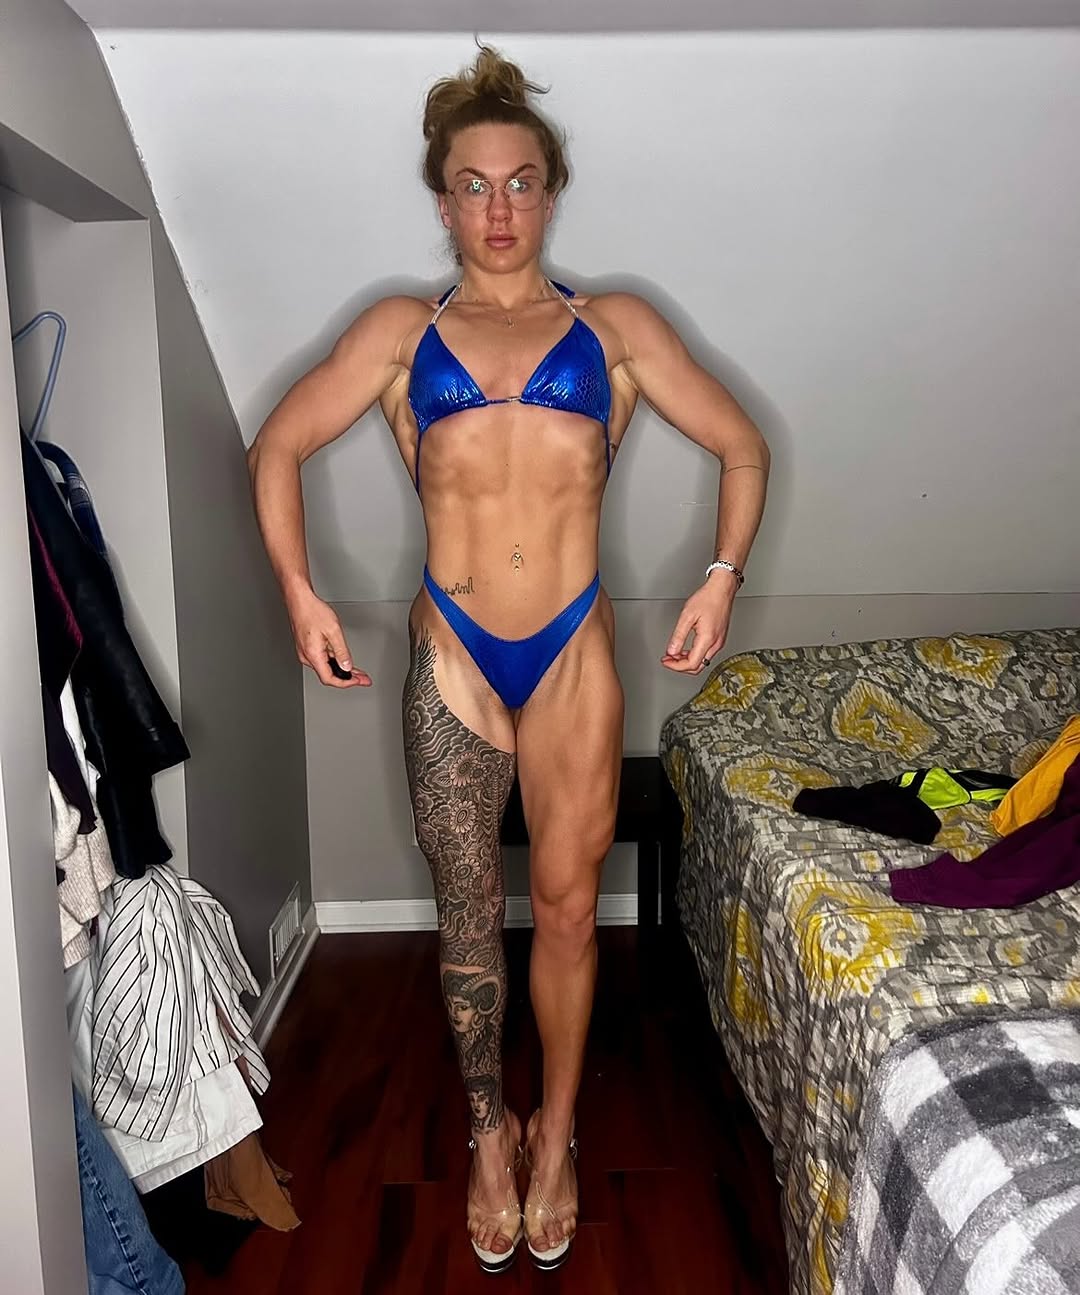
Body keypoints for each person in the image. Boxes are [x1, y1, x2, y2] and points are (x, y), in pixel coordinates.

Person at [247, 45, 770, 1275]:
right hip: (456, 650)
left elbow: (743, 445)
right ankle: (490, 1133)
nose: (498, 208)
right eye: (473, 185)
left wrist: (721, 575)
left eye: (521, 182)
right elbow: (277, 447)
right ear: (443, 201)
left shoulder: (612, 328)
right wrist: (300, 593)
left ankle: (559, 1132)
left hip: (572, 648)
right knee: (471, 918)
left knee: (572, 911)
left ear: (551, 192)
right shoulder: (402, 334)